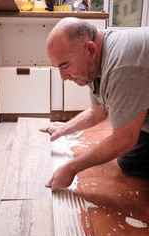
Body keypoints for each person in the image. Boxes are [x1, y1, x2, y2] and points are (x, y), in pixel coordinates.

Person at [40, 17, 149, 190]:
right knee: (129, 161)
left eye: (65, 66)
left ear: (90, 49)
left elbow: (125, 139)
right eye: (58, 68)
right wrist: (62, 129)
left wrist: (72, 168)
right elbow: (97, 112)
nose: (63, 77)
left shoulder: (121, 66)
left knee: (126, 147)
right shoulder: (95, 57)